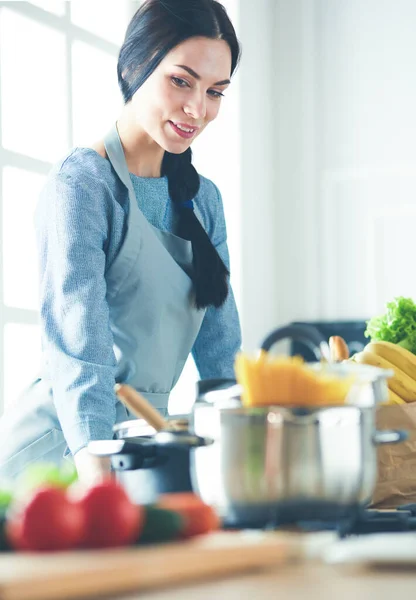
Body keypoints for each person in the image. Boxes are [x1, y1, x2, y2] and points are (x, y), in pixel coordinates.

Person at [0, 0, 242, 485]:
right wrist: (97, 471)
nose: (199, 108)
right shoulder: (83, 185)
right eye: (181, 81)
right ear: (136, 67)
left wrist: (246, 455)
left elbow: (221, 356)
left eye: (215, 91)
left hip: (141, 445)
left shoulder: (204, 201)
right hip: (64, 452)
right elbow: (79, 350)